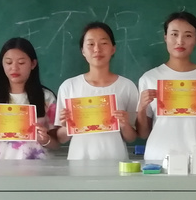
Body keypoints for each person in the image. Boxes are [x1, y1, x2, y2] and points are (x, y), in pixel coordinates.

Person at [136, 11, 196, 163]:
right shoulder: (149, 78)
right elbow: (143, 133)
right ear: (165, 37)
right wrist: (141, 109)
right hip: (158, 158)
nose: (180, 41)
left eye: (188, 35)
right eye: (174, 34)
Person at [54, 22, 138, 159]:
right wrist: (67, 125)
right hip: (79, 161)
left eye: (103, 43)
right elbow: (61, 138)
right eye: (91, 44)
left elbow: (132, 137)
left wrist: (124, 125)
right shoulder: (69, 86)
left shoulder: (127, 86)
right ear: (83, 51)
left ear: (113, 49)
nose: (97, 49)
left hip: (115, 161)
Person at [0, 37, 58, 159]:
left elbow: (56, 143)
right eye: (8, 62)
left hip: (37, 166)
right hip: (1, 166)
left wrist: (45, 139)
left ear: (33, 64)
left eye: (21, 63)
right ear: (2, 64)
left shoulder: (46, 97)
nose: (14, 68)